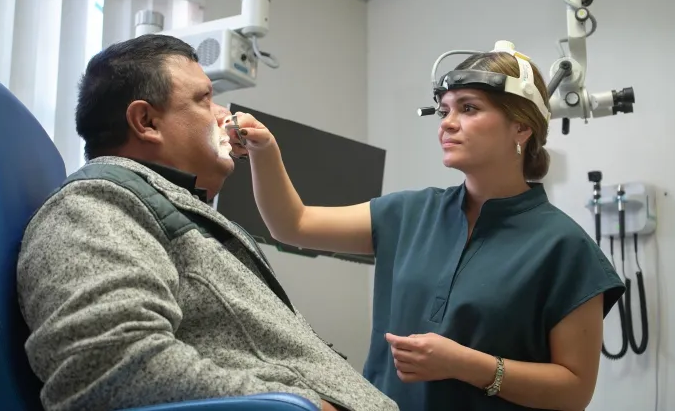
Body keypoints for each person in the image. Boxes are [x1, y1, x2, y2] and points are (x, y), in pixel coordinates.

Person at [228, 41, 626, 411]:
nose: (447, 124)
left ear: (521, 127)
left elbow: (574, 391)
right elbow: (293, 224)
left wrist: (466, 364)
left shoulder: (564, 247)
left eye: (468, 108)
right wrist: (265, 151)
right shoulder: (408, 213)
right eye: (444, 110)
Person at [16, 34, 398, 411]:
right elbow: (106, 367)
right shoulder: (95, 203)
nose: (224, 115)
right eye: (205, 99)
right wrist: (305, 407)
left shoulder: (174, 211)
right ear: (146, 121)